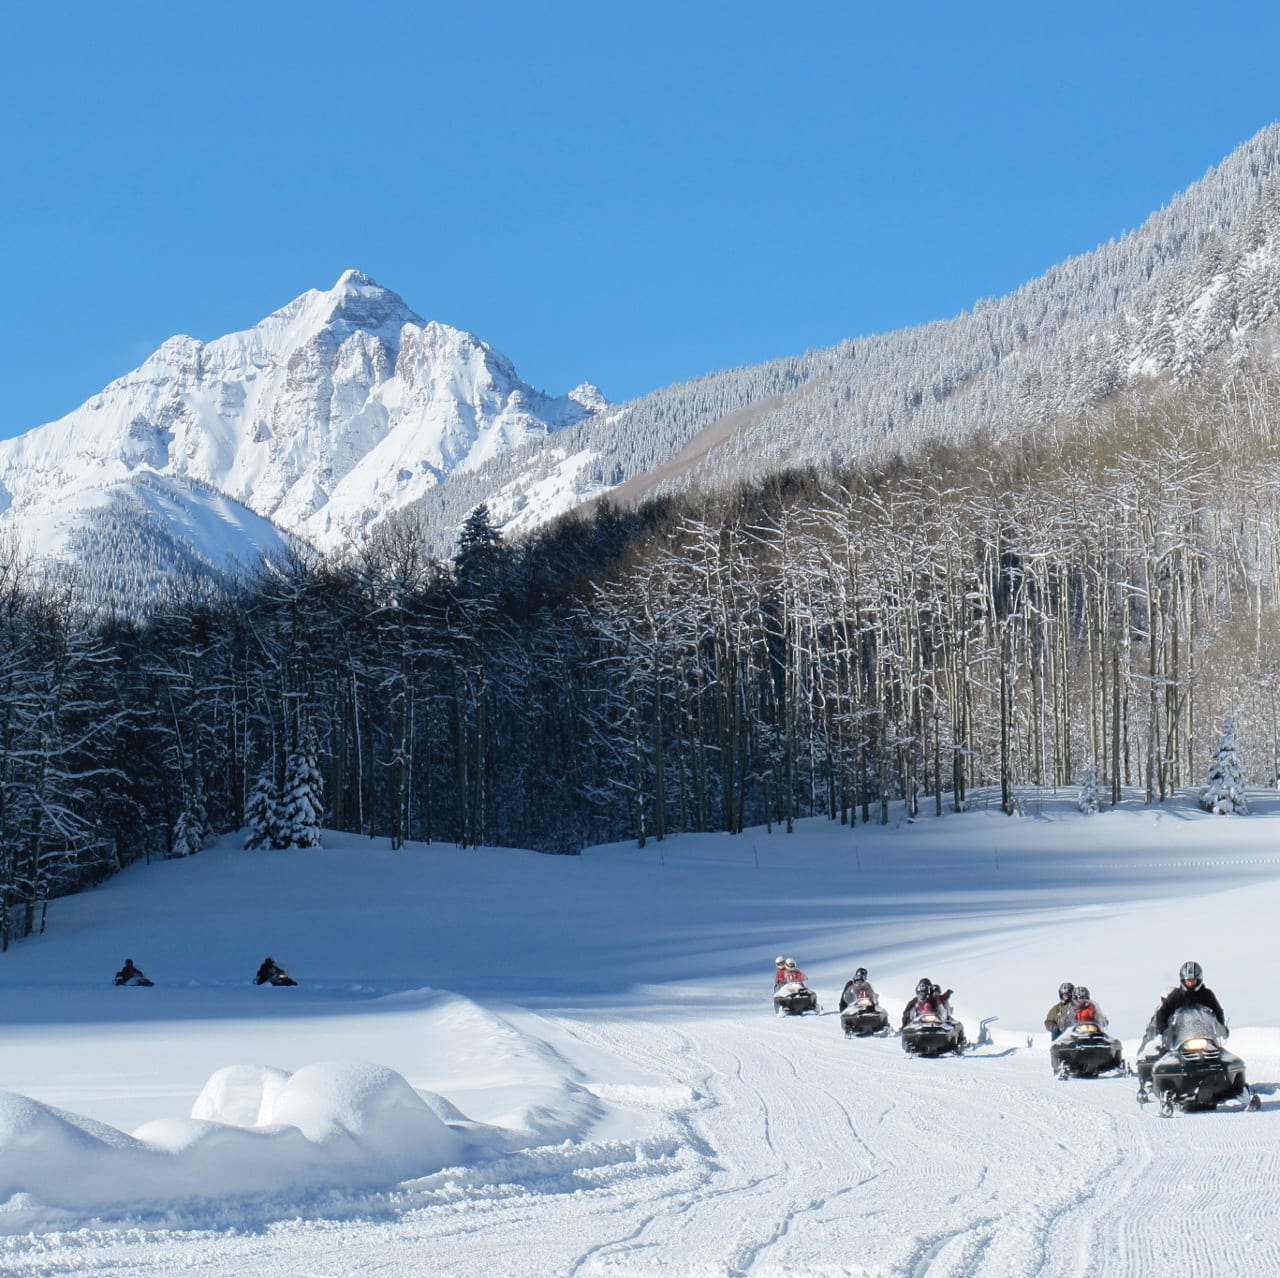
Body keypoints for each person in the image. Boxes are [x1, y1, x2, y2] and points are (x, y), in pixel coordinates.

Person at [1154, 961, 1226, 1036]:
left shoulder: (1207, 995)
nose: (1190, 984)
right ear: (1183, 980)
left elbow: (1218, 1011)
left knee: (1218, 1048)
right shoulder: (1176, 996)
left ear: (1198, 980)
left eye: (1193, 981)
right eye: (1188, 981)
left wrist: (1221, 1028)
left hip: (1204, 1034)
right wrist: (1164, 1030)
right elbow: (1162, 1012)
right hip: (1181, 1037)